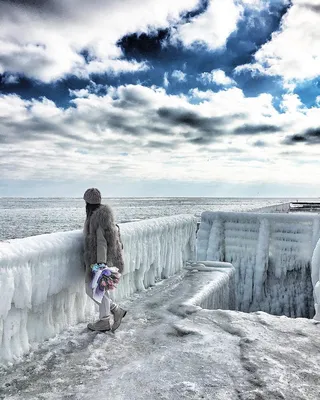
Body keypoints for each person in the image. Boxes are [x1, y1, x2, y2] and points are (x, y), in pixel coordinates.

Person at [83, 188, 127, 332]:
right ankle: (108, 316)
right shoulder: (104, 216)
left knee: (91, 289)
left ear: (88, 203)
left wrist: (101, 264)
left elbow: (101, 242)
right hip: (106, 260)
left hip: (101, 262)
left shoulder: (98, 219)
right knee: (100, 290)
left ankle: (110, 314)